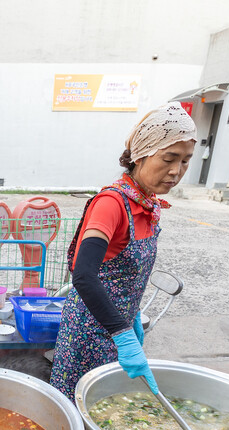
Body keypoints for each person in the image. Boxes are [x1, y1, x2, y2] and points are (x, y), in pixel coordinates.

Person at [51, 102, 196, 399]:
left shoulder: (147, 204)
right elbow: (83, 275)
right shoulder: (111, 204)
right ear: (141, 155)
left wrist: (131, 320)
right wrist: (123, 333)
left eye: (185, 161)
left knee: (107, 408)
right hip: (88, 335)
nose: (176, 171)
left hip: (119, 333)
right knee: (79, 409)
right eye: (169, 158)